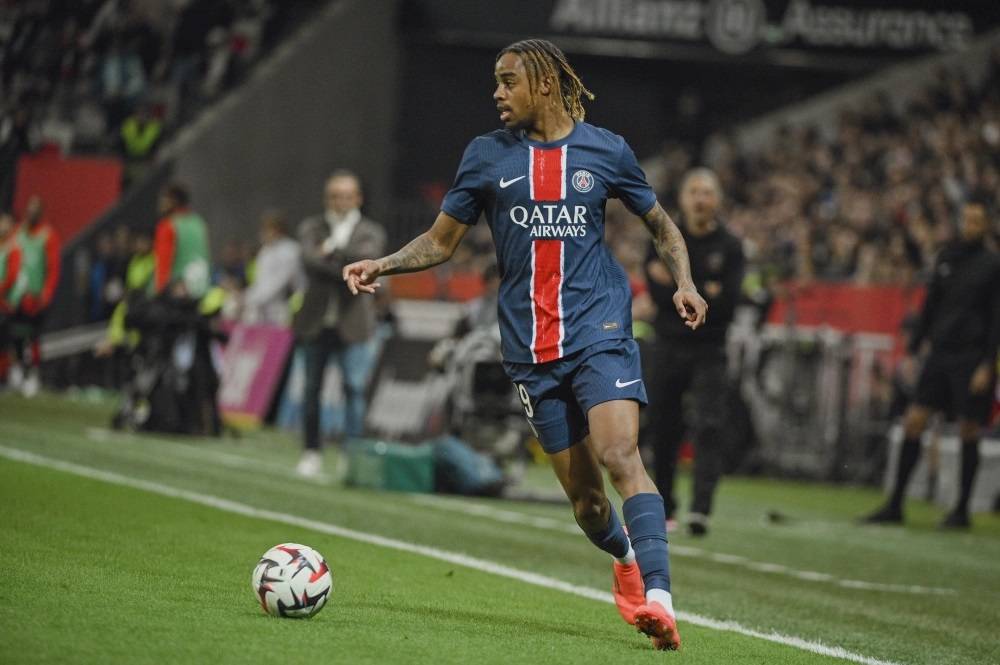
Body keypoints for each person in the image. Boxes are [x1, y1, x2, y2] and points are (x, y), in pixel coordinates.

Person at [342, 39, 707, 650]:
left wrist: (685, 283)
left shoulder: (606, 150)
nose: (497, 93)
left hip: (600, 329)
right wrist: (383, 263)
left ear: (543, 83)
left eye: (508, 81)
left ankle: (661, 599)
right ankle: (624, 560)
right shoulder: (486, 155)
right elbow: (440, 242)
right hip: (531, 348)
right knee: (589, 506)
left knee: (621, 455)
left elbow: (663, 227)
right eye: (496, 81)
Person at [863, 199, 1000, 529]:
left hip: (972, 356)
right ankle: (895, 503)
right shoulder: (946, 257)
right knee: (914, 420)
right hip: (940, 353)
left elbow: (997, 317)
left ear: (986, 224)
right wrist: (913, 349)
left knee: (969, 428)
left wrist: (988, 363)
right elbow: (930, 306)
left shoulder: (993, 265)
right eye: (966, 218)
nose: (970, 225)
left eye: (976, 220)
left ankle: (961, 509)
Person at [643, 168, 745, 536]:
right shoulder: (662, 237)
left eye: (707, 192)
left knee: (709, 426)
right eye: (694, 192)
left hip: (709, 348)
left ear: (717, 200)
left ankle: (701, 509)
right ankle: (665, 505)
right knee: (663, 427)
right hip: (667, 345)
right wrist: (706, 289)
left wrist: (680, 283)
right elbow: (656, 294)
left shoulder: (731, 246)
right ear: (683, 198)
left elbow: (729, 303)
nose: (701, 199)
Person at [293, 170, 386, 478]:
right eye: (335, 196)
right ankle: (311, 452)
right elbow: (309, 261)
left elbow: (367, 263)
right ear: (326, 198)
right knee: (311, 390)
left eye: (346, 196)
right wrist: (346, 263)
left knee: (354, 390)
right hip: (316, 321)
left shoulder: (371, 231)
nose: (340, 201)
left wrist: (330, 252)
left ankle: (351, 456)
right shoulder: (311, 227)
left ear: (358, 198)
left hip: (353, 322)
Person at [7, 196, 61, 397]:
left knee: (33, 337)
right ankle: (17, 371)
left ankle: (33, 373)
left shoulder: (48, 235)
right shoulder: (17, 233)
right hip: (16, 295)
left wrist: (46, 293)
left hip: (36, 297)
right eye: (29, 209)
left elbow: (53, 268)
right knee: (14, 335)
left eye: (35, 210)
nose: (31, 213)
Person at [242, 210, 303, 326]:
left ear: (278, 230)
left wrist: (252, 299)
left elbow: (279, 283)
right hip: (264, 307)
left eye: (267, 229)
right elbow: (260, 281)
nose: (263, 233)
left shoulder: (290, 250)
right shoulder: (265, 251)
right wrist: (247, 297)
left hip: (285, 307)